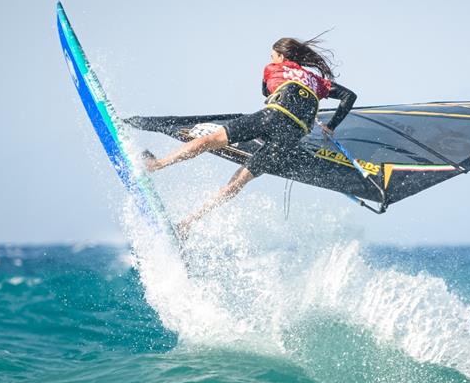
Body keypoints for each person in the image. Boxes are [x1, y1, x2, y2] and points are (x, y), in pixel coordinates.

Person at [142, 37, 356, 237]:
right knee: (238, 181)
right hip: (292, 135)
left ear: (281, 58)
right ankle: (186, 224)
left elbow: (265, 92)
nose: (271, 59)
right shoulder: (317, 81)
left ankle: (157, 164)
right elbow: (349, 96)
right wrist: (331, 125)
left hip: (272, 117)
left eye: (272, 55)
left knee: (207, 141)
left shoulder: (272, 68)